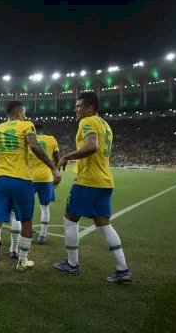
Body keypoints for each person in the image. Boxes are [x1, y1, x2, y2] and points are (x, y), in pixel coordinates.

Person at [0, 101, 61, 285]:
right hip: (22, 180)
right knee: (26, 220)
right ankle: (22, 261)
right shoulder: (26, 125)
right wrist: (53, 168)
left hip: (0, 181)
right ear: (20, 113)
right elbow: (35, 146)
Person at [54, 92, 131, 283]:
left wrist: (66, 157)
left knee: (70, 220)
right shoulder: (105, 124)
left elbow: (92, 146)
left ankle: (72, 264)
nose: (76, 109)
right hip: (105, 181)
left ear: (90, 108)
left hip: (88, 181)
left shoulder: (87, 122)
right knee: (104, 224)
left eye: (79, 106)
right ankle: (123, 269)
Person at [28, 123, 60, 244]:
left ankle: (29, 228)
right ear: (42, 130)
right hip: (46, 178)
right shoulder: (51, 139)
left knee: (28, 205)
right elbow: (57, 159)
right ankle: (43, 235)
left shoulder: (30, 140)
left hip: (30, 178)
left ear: (34, 131)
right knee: (45, 208)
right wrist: (56, 172)